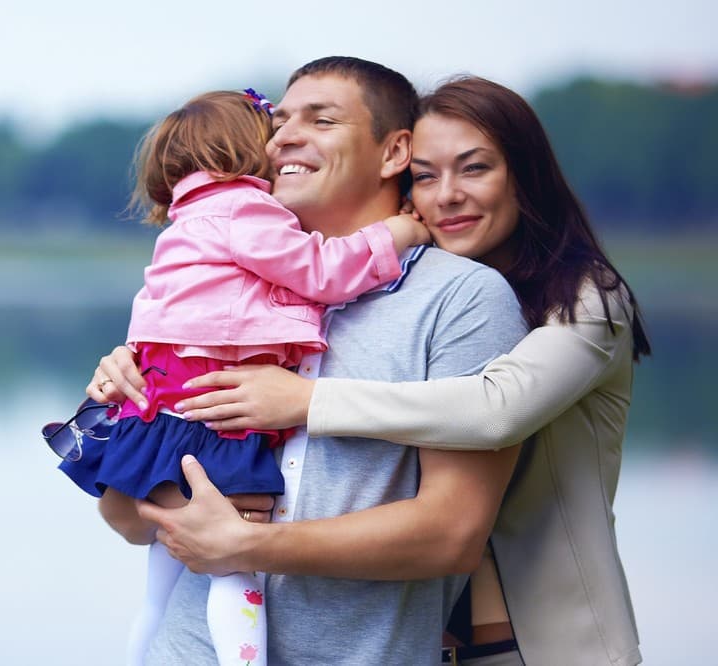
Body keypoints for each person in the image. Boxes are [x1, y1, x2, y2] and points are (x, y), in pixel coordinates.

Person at [141, 76, 651, 666]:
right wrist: (128, 380)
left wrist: (307, 402)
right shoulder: (316, 288)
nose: (447, 196)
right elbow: (135, 509)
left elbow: (496, 411)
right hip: (410, 635)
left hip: (530, 643)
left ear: (524, 178)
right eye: (426, 176)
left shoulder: (582, 300)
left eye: (475, 169)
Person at [88, 57, 529, 665]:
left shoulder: (463, 298)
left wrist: (243, 544)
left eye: (321, 121)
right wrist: (129, 402)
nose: (284, 139)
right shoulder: (220, 283)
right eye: (279, 123)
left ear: (395, 152)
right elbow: (123, 518)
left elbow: (450, 536)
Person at [55, 88, 429, 665]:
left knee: (161, 585)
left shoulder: (185, 221)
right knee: (235, 563)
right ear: (247, 151)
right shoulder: (246, 208)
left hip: (163, 408)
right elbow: (321, 271)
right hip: (215, 418)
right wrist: (397, 234)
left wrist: (131, 355)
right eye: (274, 132)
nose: (283, 145)